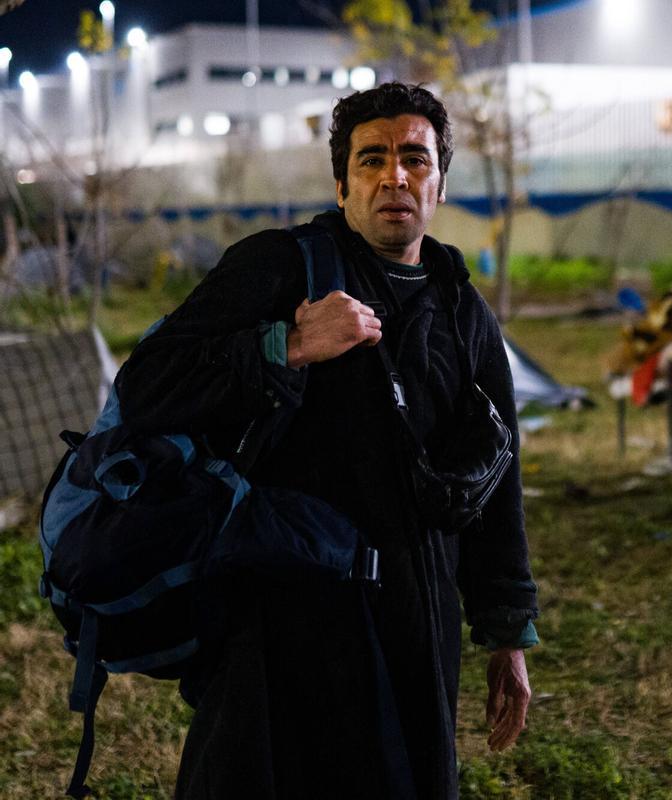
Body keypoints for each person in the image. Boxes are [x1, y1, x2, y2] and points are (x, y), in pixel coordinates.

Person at [117, 82, 539, 799]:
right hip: (281, 621)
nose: (394, 176)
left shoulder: (462, 308)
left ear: (439, 183)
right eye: (371, 159)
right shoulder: (281, 268)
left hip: (415, 621)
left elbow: (495, 477)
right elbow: (148, 386)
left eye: (414, 158)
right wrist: (284, 344)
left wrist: (507, 631)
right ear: (342, 182)